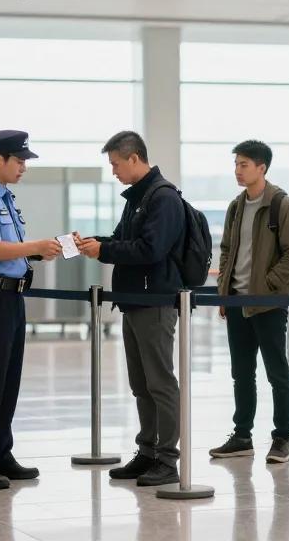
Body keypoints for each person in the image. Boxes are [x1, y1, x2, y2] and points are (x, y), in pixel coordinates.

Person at [76, 131, 185, 487]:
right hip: (134, 302)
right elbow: (125, 241)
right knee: (141, 384)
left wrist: (104, 252)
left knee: (160, 383)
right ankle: (148, 452)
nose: (114, 172)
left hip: (155, 303)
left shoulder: (163, 198)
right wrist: (95, 243)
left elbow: (150, 250)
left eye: (116, 164)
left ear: (135, 158)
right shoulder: (137, 198)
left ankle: (168, 459)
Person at [0, 130, 63, 489]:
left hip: (11, 298)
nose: (23, 167)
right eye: (19, 161)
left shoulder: (3, 196)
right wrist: (33, 245)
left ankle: (1, 454)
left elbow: (10, 247)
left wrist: (39, 250)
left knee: (8, 380)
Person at [210, 140, 289, 464]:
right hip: (237, 301)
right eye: (236, 164)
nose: (238, 170)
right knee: (242, 372)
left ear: (262, 167)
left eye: (244, 165)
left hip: (268, 303)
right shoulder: (236, 206)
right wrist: (225, 291)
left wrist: (268, 284)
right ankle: (242, 435)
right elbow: (226, 250)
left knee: (277, 372)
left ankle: (282, 437)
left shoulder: (281, 204)